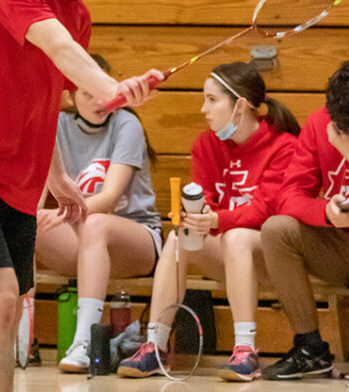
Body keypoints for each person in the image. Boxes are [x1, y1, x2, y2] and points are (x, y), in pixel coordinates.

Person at [0, 0, 163, 391]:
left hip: (17, 188)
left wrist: (57, 176)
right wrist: (112, 87)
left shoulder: (79, 15)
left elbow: (45, 100)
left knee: (5, 308)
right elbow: (60, 48)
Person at [117, 62, 300, 381]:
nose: (204, 109)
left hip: (270, 258)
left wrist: (216, 219)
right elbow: (206, 203)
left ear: (240, 105)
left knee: (238, 236)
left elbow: (265, 211)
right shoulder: (206, 144)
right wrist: (195, 217)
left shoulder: (284, 146)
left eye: (212, 100)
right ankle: (156, 345)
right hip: (227, 252)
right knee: (178, 238)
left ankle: (246, 350)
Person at [34, 54, 163, 373]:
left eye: (102, 91)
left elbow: (108, 197)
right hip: (85, 240)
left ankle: (84, 341)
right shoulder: (57, 125)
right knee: (24, 224)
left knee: (95, 222)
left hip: (136, 240)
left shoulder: (127, 124)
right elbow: (38, 190)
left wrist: (63, 214)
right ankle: (20, 339)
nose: (98, 101)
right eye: (87, 93)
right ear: (70, 96)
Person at [260, 61, 349, 381]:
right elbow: (288, 195)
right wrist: (325, 212)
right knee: (276, 230)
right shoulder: (318, 124)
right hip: (339, 245)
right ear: (335, 120)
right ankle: (310, 348)